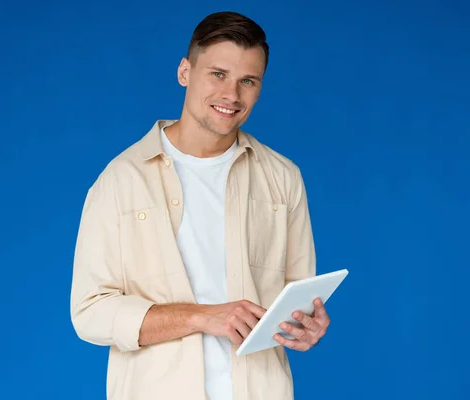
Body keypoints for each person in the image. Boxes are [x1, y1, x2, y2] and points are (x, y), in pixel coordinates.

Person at [70, 11, 331, 400]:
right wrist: (201, 316)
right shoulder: (121, 180)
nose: (231, 95)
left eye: (248, 81)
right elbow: (89, 313)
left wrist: (305, 326)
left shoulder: (283, 178)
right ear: (184, 72)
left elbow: (296, 298)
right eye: (218, 74)